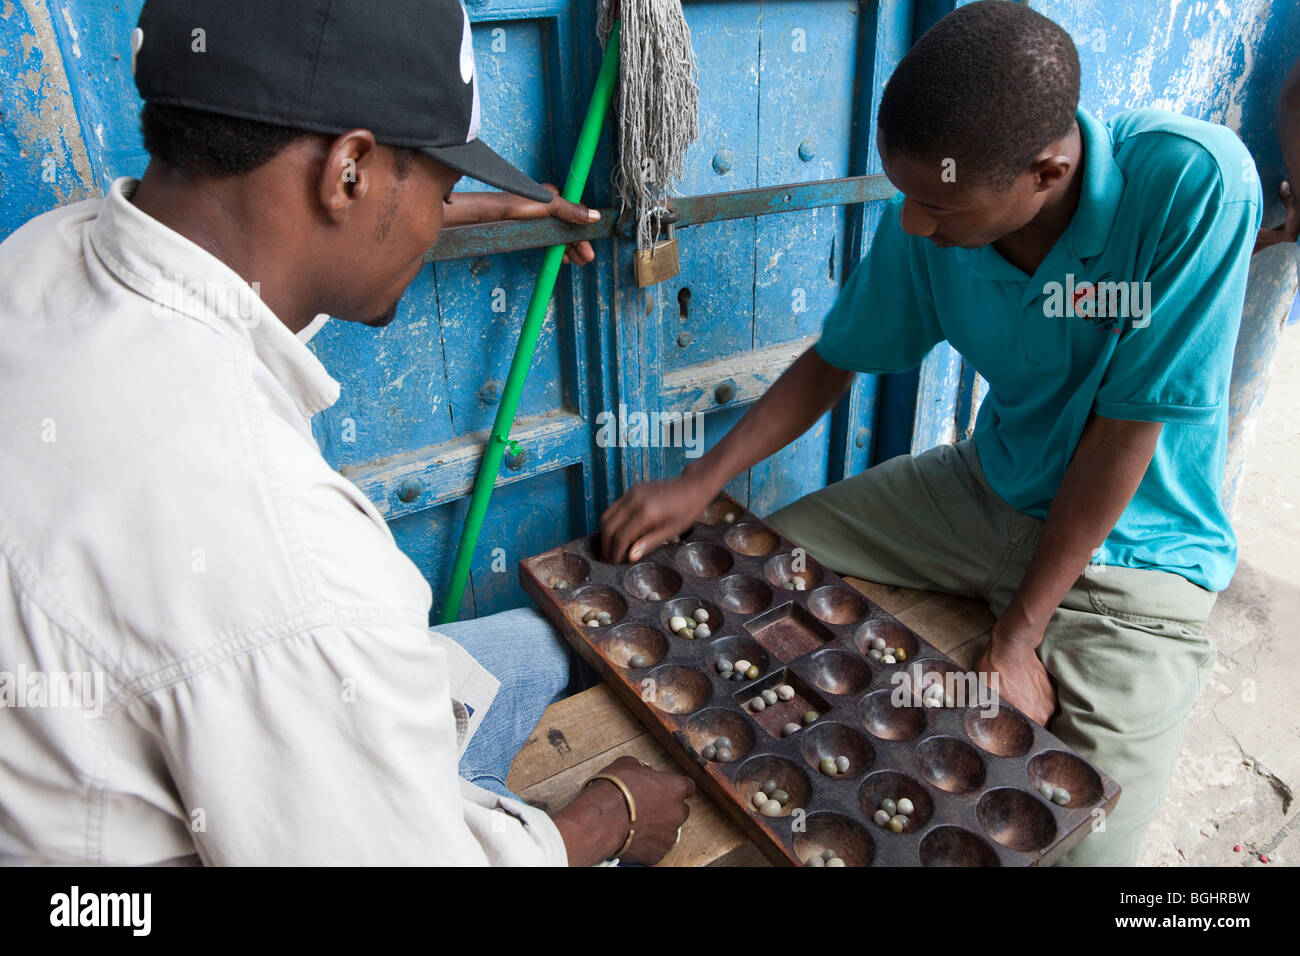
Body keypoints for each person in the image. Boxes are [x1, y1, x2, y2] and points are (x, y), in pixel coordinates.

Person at [0, 0, 692, 866]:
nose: (441, 212)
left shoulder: (42, 258)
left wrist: (436, 214)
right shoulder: (295, 562)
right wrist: (604, 820)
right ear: (350, 172)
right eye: (439, 187)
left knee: (539, 643)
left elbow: (245, 296)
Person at [602, 0, 1261, 866]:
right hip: (983, 491)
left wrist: (1018, 638)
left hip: (1135, 552)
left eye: (939, 206)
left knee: (1089, 850)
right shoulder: (935, 206)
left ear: (1048, 173)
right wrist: (701, 480)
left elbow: (1125, 433)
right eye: (907, 195)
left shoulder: (1194, 187)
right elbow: (837, 358)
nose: (914, 224)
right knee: (746, 575)